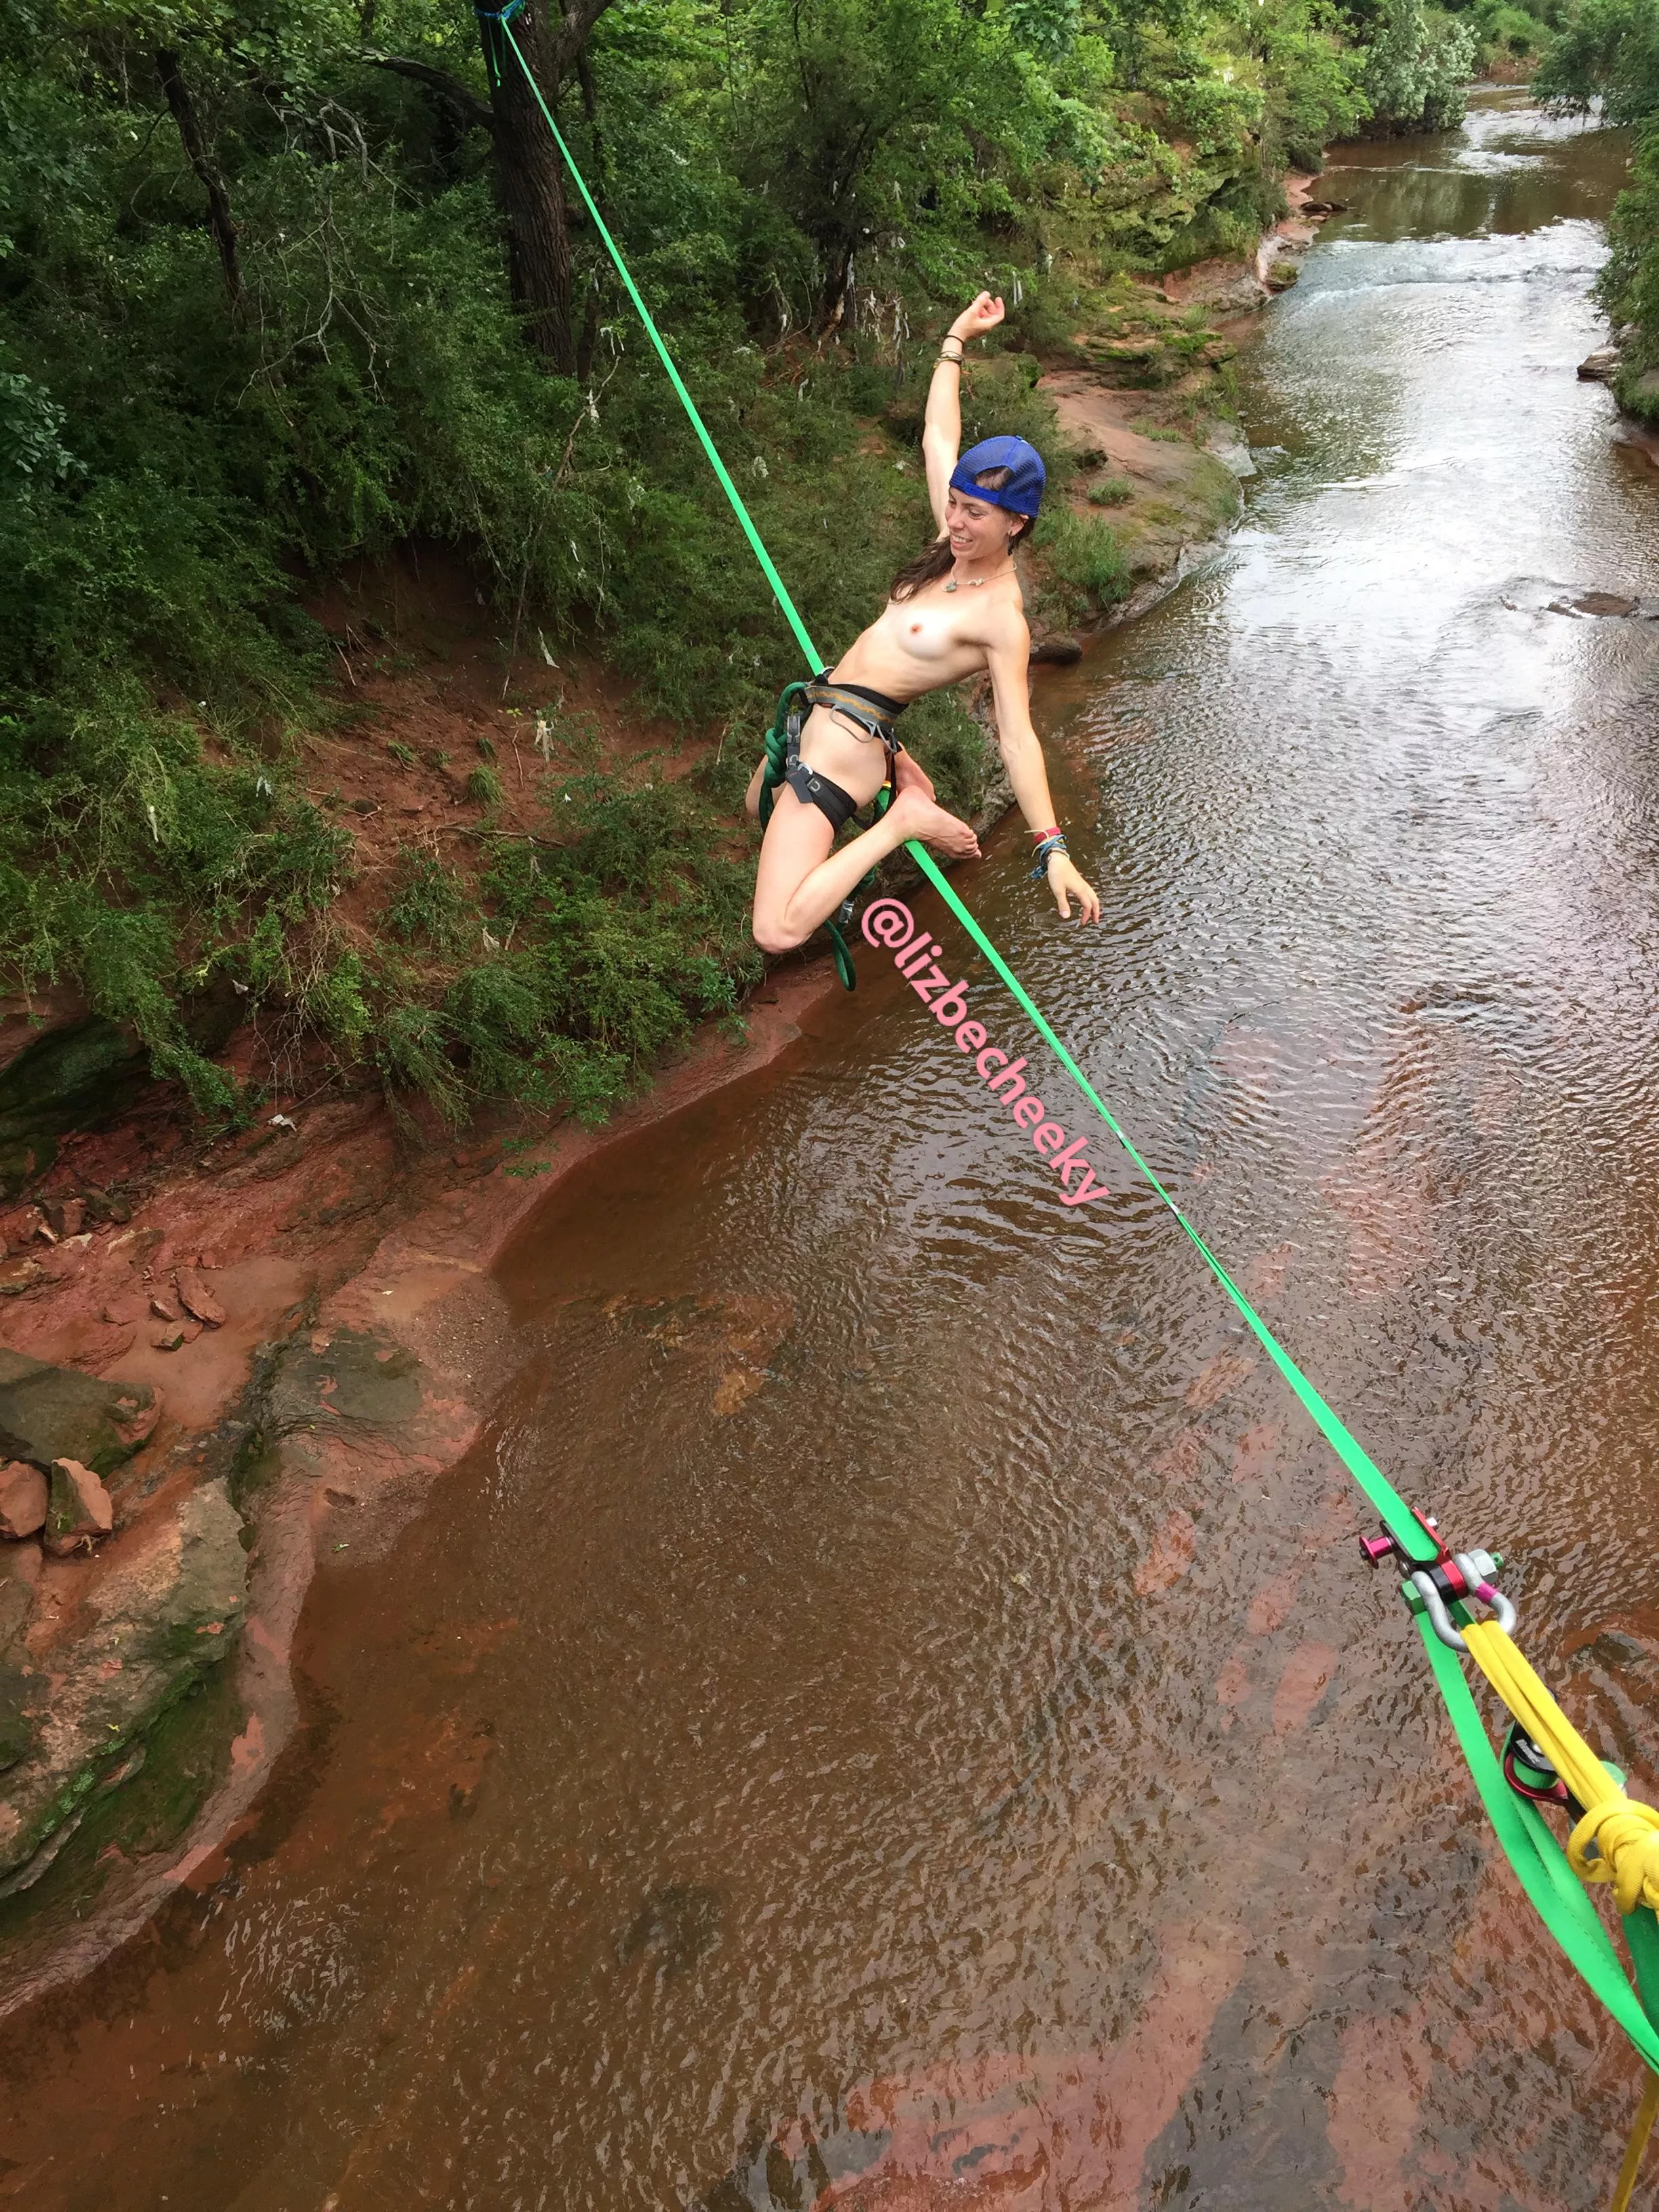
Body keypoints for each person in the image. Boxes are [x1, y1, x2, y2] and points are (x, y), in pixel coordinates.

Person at [746, 290, 1102, 956]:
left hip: (844, 749)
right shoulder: (951, 546)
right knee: (755, 808)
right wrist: (956, 340)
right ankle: (907, 782)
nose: (958, 522)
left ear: (1016, 523)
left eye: (976, 514)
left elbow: (1019, 740)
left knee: (777, 928)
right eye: (956, 504)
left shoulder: (1000, 617)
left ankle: (903, 820)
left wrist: (1052, 848)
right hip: (828, 710)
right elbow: (939, 434)